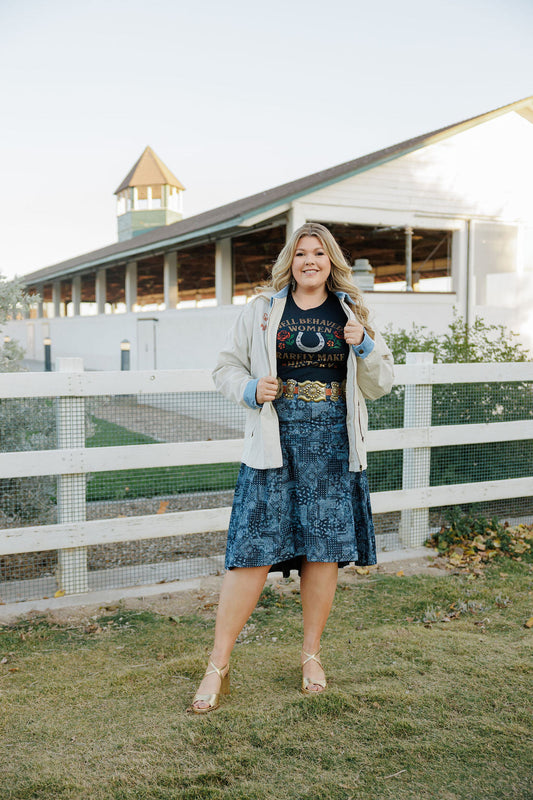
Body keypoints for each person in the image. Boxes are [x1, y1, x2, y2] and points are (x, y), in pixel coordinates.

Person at [189, 222, 394, 713]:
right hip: (273, 447)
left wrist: (363, 343)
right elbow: (224, 367)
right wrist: (248, 388)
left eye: (319, 254)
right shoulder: (262, 311)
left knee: (322, 554)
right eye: (301, 253)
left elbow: (381, 381)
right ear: (291, 259)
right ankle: (218, 664)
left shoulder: (351, 312)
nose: (309, 261)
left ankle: (310, 657)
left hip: (331, 449)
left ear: (331, 262)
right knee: (252, 552)